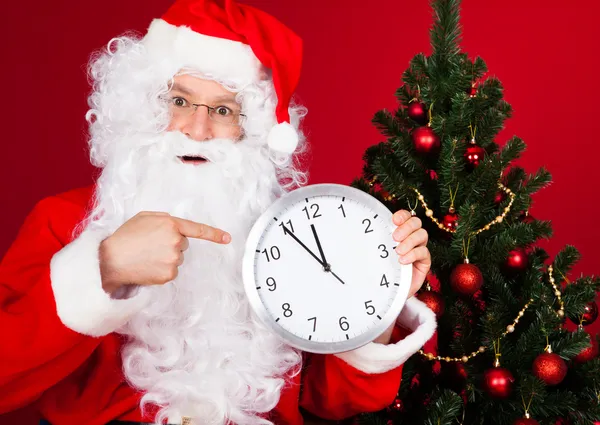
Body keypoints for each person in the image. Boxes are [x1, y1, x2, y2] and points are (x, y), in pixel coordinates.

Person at [0, 0, 436, 424]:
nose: (198, 129)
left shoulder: (287, 237)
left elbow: (334, 401)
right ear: (139, 105)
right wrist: (104, 270)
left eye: (224, 110)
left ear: (253, 131)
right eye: (179, 101)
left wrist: (381, 301)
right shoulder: (62, 220)